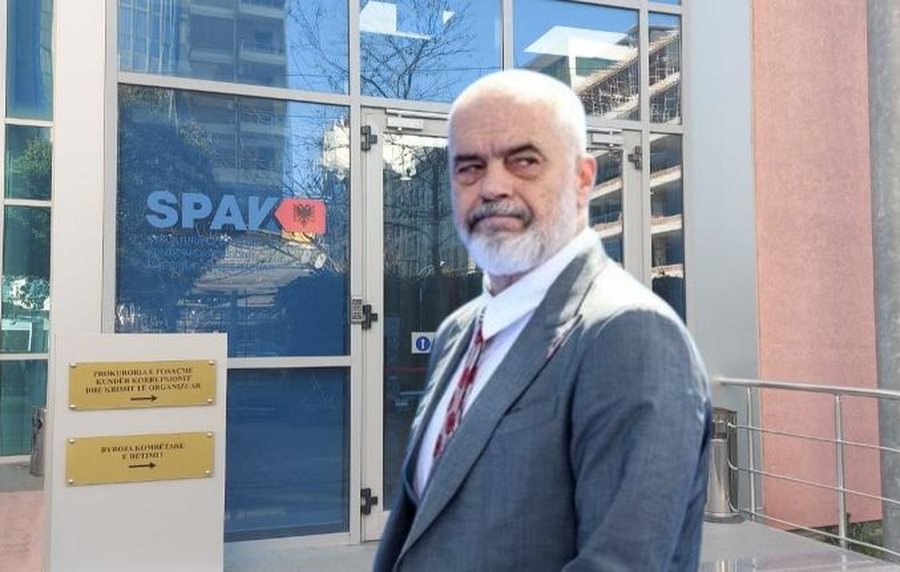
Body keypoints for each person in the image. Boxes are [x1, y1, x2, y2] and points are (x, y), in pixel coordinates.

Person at [374, 69, 711, 572]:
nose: (492, 187)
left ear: (583, 178)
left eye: (524, 161)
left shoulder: (629, 335)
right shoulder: (457, 332)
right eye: (469, 167)